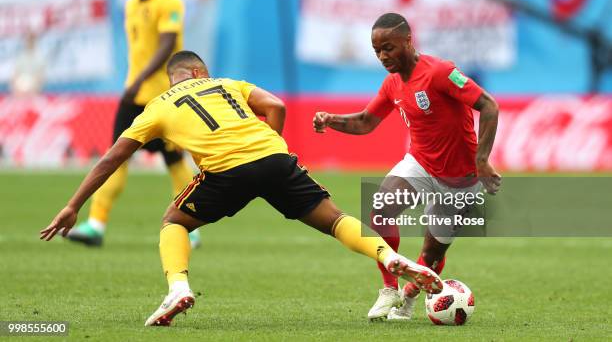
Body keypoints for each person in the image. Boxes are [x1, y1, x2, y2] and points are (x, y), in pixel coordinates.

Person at [40, 50, 444, 327]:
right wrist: (270, 153)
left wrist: (74, 205)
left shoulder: (160, 105)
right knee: (335, 219)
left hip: (226, 173)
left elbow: (113, 156)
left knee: (173, 221)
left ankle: (178, 288)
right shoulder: (226, 84)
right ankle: (388, 256)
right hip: (274, 157)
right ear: (201, 72)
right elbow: (277, 107)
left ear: (174, 79)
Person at [312, 13, 501, 321]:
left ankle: (408, 299)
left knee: (431, 255)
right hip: (421, 164)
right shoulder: (392, 84)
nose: (383, 56)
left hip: (461, 180)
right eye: (377, 51)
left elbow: (489, 105)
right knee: (381, 207)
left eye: (389, 47)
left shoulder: (441, 72)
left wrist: (482, 161)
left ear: (408, 41)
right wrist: (331, 120)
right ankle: (388, 289)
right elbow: (365, 122)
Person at [67, 0, 200, 248]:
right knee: (115, 157)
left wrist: (140, 78)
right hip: (134, 96)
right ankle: (96, 225)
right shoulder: (130, 6)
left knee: (175, 160)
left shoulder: (169, 1)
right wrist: (135, 81)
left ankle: (190, 228)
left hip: (166, 98)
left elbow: (167, 45)